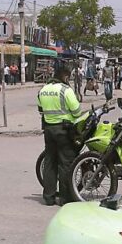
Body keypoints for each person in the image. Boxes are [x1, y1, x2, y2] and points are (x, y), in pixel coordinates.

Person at [37, 66, 82, 206]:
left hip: (49, 130)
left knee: (50, 163)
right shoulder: (65, 90)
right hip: (64, 130)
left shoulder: (43, 90)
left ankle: (48, 197)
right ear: (65, 77)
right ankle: (65, 198)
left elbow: (40, 110)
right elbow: (76, 112)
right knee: (66, 164)